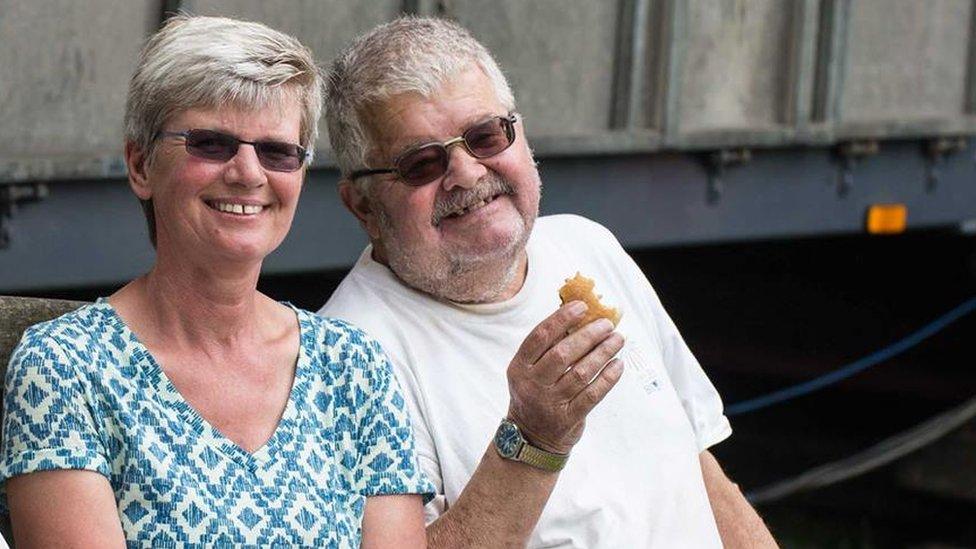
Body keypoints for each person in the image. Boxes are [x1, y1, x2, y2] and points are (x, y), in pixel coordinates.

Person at [319, 16, 778, 548]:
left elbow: (698, 468)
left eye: (485, 136)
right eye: (421, 162)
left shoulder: (586, 246)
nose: (467, 173)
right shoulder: (346, 357)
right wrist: (533, 439)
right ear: (362, 206)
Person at [0, 15, 432, 547]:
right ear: (140, 165)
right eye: (211, 143)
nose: (249, 173)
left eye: (277, 152)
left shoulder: (354, 367)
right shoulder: (66, 369)